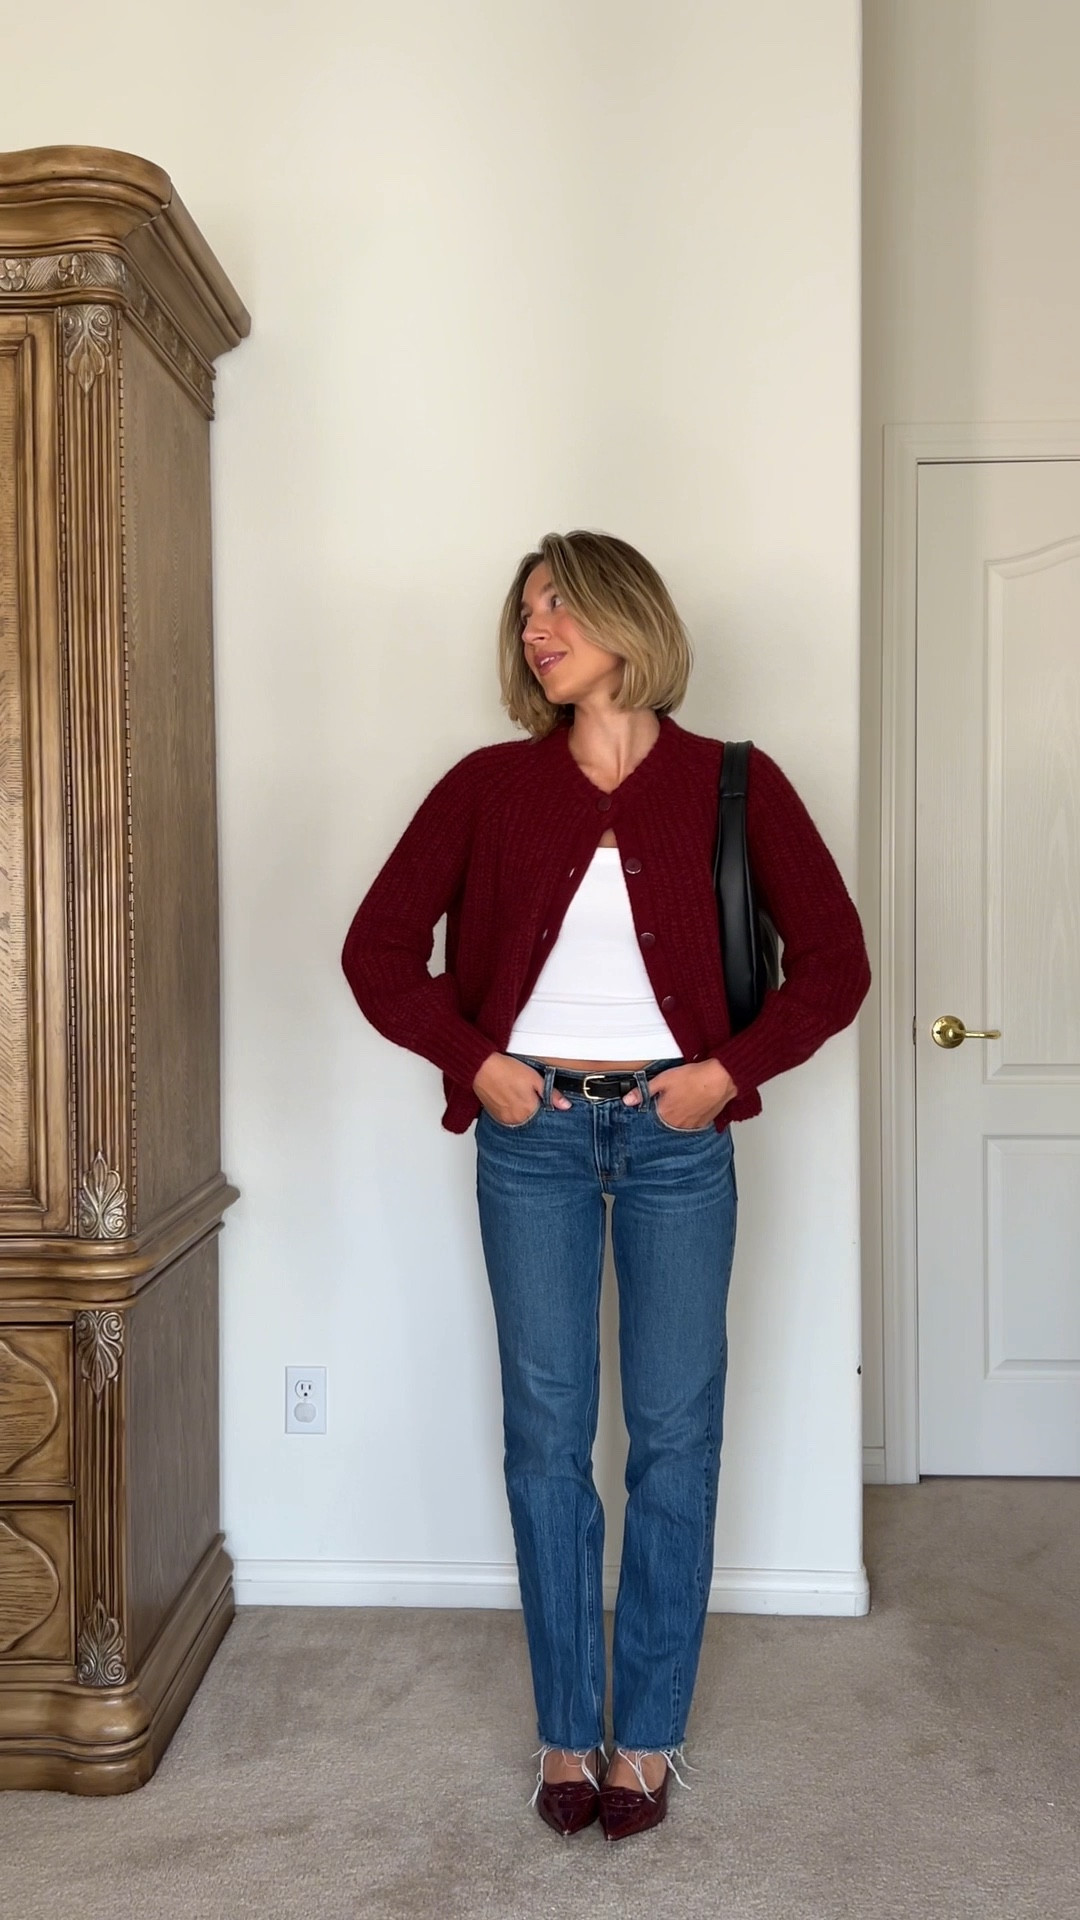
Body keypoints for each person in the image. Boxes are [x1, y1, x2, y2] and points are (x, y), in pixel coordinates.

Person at [341, 530, 870, 1842]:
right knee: (548, 1441)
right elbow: (378, 952)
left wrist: (726, 1075)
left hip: (678, 1142)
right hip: (534, 1141)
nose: (536, 628)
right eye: (525, 612)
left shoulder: (732, 783)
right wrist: (476, 1060)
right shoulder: (489, 787)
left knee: (678, 1441)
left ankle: (647, 1739)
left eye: (559, 603)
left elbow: (837, 965)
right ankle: (566, 1731)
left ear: (632, 617)